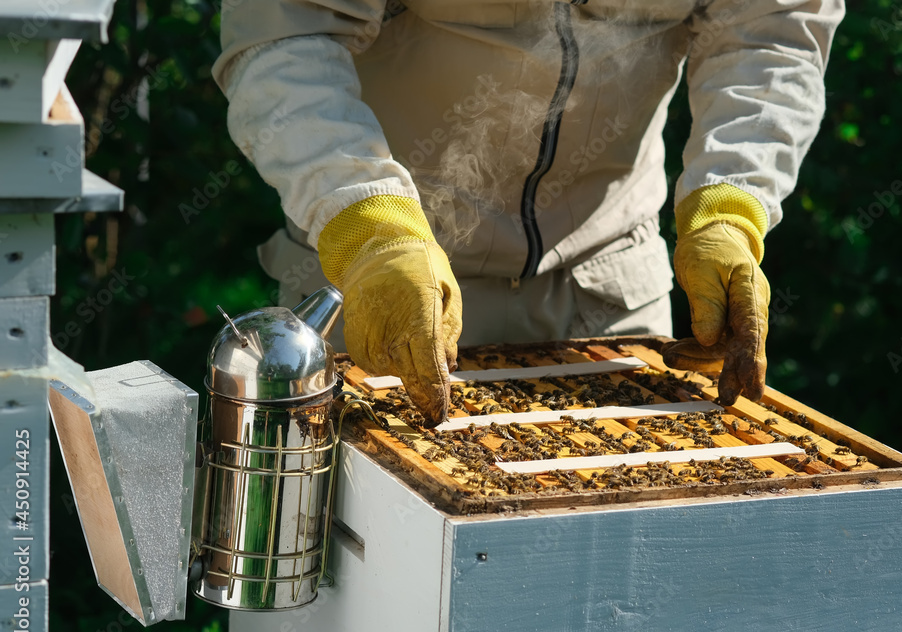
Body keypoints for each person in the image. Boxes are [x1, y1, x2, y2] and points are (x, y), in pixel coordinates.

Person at [212, 0, 844, 423]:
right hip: (378, 284)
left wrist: (730, 205)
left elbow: (771, 32)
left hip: (609, 288)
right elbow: (285, 31)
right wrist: (363, 218)